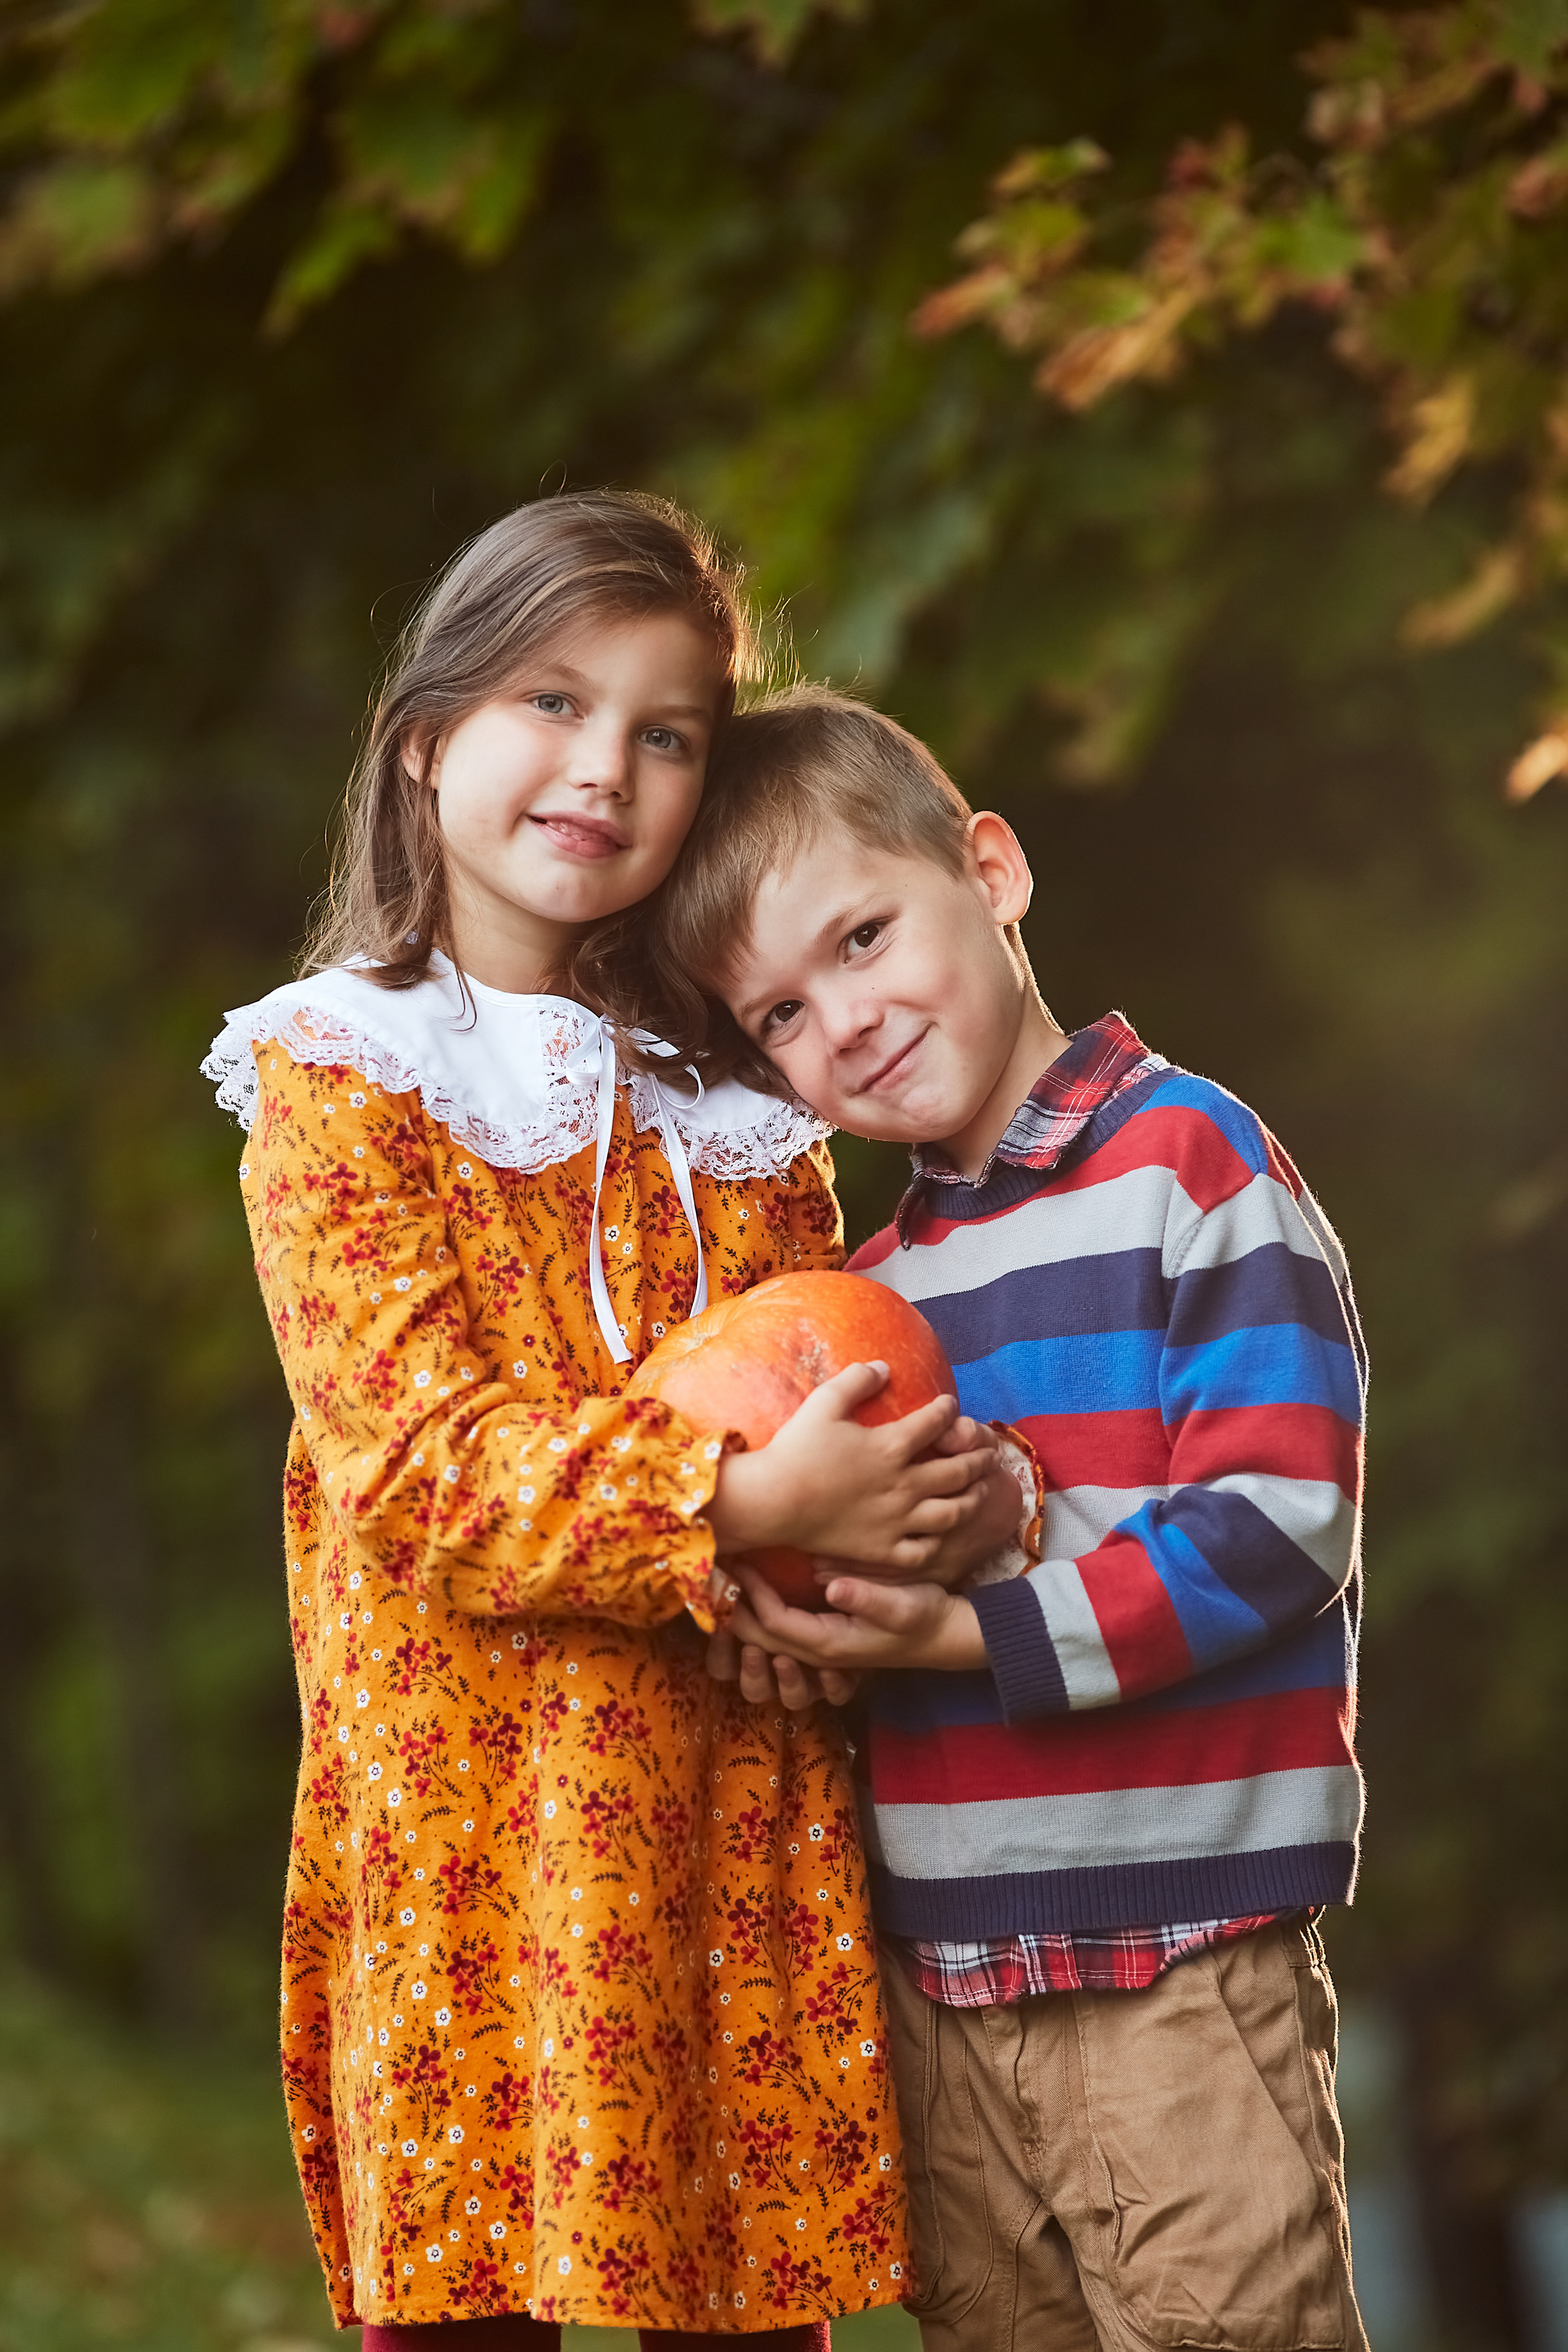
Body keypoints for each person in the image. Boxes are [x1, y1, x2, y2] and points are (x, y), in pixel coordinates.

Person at [202, 503, 1016, 2349]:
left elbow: (841, 1395)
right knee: (471, 2303)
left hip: (722, 1825)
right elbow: (415, 1471)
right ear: (428, 740)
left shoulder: (741, 1108)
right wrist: (728, 1505)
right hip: (474, 1824)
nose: (605, 766)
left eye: (666, 733)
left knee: (740, 2313)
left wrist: (821, 1579)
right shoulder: (340, 1079)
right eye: (554, 700)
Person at [650, 684, 1373, 2352]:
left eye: (860, 937)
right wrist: (806, 1642)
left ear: (991, 867)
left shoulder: (1187, 1165)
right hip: (942, 1996)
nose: (840, 1018)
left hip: (1179, 1955)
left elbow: (1275, 1525)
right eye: (775, 1016)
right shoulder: (854, 1302)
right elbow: (867, 1604)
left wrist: (961, 1626)